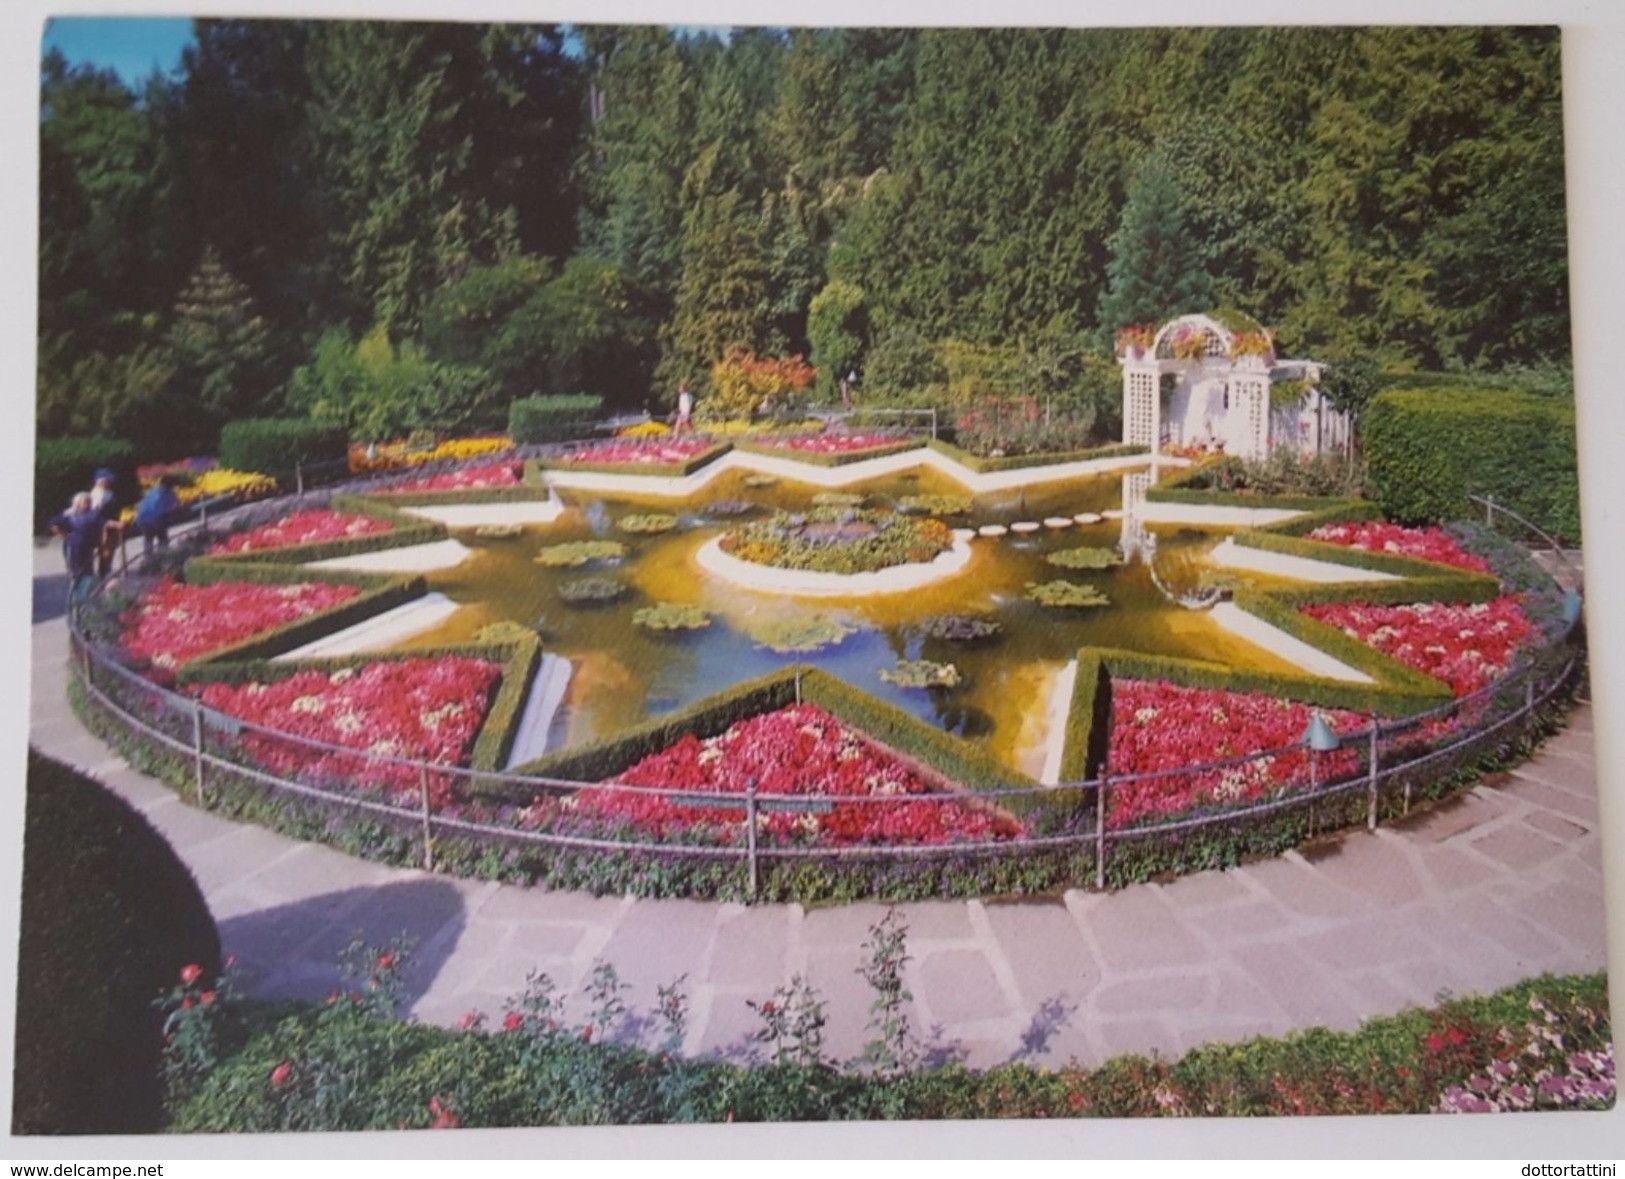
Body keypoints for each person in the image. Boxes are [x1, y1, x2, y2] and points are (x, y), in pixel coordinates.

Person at [48, 492, 103, 607]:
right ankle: (75, 600)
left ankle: (84, 598)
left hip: (88, 548)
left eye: (89, 502)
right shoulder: (70, 515)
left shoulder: (93, 515)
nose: (88, 504)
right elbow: (53, 524)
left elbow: (102, 525)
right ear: (77, 503)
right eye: (85, 502)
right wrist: (63, 534)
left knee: (88, 572)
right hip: (73, 549)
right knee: (75, 573)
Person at [134, 478, 182, 557]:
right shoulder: (167, 492)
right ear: (170, 486)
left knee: (148, 540)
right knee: (163, 539)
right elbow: (176, 505)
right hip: (157, 518)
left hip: (142, 518)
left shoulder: (152, 490)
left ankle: (148, 560)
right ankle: (162, 557)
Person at [88, 468, 122, 576]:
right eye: (108, 480)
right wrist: (111, 524)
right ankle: (103, 574)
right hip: (105, 528)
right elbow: (96, 515)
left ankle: (104, 572)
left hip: (108, 527)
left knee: (107, 553)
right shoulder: (99, 495)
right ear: (101, 481)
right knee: (105, 553)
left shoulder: (104, 493)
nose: (110, 482)